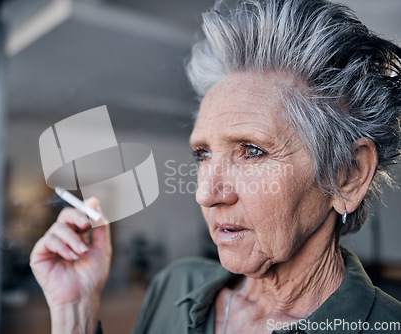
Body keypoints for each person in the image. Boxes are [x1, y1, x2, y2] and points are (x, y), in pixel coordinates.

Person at [30, 0, 401, 333]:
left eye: (252, 151)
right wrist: (75, 313)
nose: (205, 193)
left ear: (348, 175)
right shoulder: (174, 286)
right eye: (202, 154)